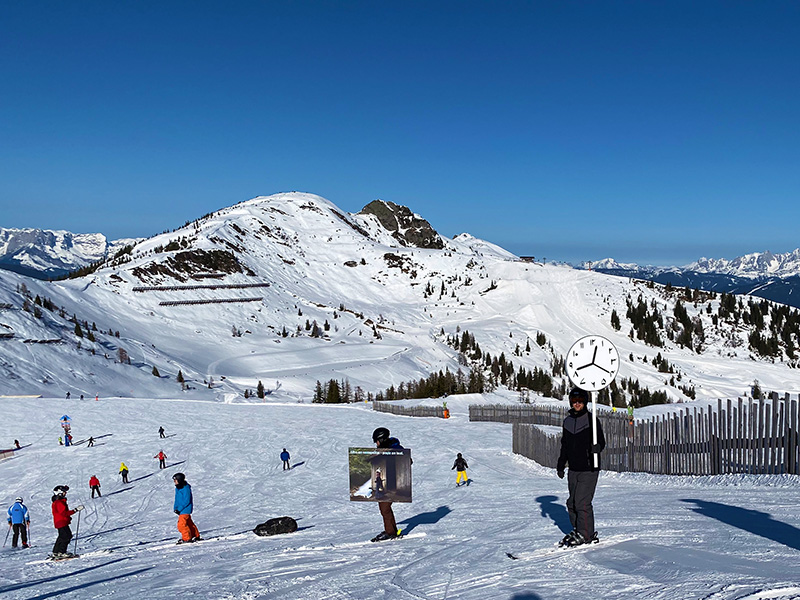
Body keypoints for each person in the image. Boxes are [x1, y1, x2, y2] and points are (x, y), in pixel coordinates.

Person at [556, 388, 606, 547]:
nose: (577, 404)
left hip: (589, 468)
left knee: (582, 502)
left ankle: (587, 534)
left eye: (580, 401)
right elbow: (565, 445)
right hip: (574, 468)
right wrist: (561, 463)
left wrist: (597, 448)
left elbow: (601, 442)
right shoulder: (568, 421)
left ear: (585, 402)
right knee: (571, 503)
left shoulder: (591, 420)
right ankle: (579, 530)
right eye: (574, 401)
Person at [370, 427, 404, 542]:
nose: (376, 444)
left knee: (384, 507)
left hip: (394, 484)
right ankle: (392, 531)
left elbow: (407, 460)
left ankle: (390, 532)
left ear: (382, 439)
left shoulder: (396, 448)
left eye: (377, 441)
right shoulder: (385, 449)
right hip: (386, 484)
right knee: (384, 507)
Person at [51, 485, 83, 558]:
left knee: (63, 536)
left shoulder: (58, 502)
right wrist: (76, 510)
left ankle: (56, 552)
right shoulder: (59, 502)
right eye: (64, 492)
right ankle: (61, 552)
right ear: (59, 493)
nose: (65, 493)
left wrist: (68, 518)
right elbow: (64, 513)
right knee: (66, 536)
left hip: (61, 521)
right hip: (61, 521)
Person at [172, 472, 201, 543]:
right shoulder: (178, 488)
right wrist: (176, 508)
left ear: (180, 480)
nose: (174, 482)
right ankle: (195, 535)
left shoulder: (185, 488)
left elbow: (186, 500)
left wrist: (179, 509)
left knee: (181, 525)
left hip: (185, 509)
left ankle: (187, 538)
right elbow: (177, 499)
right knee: (188, 523)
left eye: (175, 480)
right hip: (182, 510)